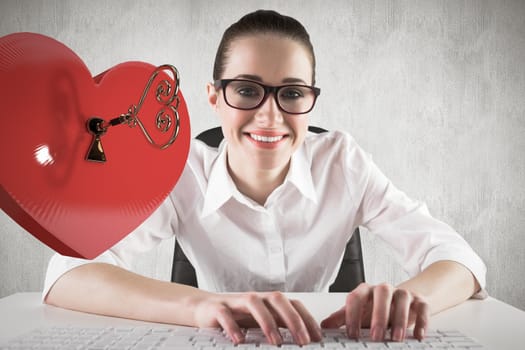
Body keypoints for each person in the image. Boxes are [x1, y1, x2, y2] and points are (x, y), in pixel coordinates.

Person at [43, 9, 486, 346]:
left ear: (311, 101)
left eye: (292, 93)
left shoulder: (342, 162)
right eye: (247, 90)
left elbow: (460, 259)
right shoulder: (183, 172)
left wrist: (410, 298)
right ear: (214, 97)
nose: (270, 116)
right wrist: (205, 306)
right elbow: (68, 273)